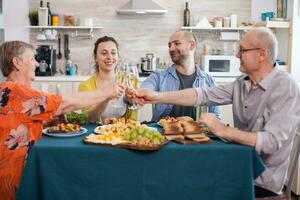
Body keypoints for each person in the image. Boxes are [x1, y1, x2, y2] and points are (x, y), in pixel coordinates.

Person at [133, 27, 300, 197]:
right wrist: (156, 97)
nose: (236, 55)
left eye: (242, 50)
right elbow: (203, 94)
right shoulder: (242, 83)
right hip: (237, 167)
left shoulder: (286, 87)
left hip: (259, 181)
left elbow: (271, 141)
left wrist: (222, 129)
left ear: (262, 54)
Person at [0, 41, 125, 200]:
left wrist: (47, 122)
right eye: (32, 59)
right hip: (13, 181)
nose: (37, 63)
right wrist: (105, 92)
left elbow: (16, 123)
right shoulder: (15, 90)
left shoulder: (9, 89)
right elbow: (63, 103)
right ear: (16, 63)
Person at [140, 30, 220, 122]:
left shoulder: (209, 81)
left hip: (198, 135)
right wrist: (138, 94)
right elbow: (143, 90)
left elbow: (216, 117)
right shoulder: (158, 76)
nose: (171, 49)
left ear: (192, 45)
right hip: (163, 134)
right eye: (169, 45)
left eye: (177, 44)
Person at [78, 36, 136, 122]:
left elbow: (133, 120)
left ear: (118, 57)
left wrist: (130, 102)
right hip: (96, 134)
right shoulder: (85, 86)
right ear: (95, 57)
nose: (109, 57)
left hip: (124, 132)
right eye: (104, 53)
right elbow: (88, 119)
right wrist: (107, 98)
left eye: (113, 53)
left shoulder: (128, 82)